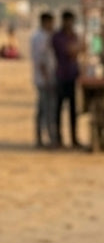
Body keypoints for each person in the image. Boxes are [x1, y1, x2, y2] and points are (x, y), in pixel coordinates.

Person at [51, 9, 82, 148]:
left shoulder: (74, 36)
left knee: (73, 110)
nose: (69, 24)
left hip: (73, 75)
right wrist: (77, 49)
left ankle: (74, 138)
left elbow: (78, 50)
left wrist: (77, 49)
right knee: (58, 109)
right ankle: (58, 138)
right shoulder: (58, 37)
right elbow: (70, 51)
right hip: (61, 75)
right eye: (67, 21)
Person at [29, 12, 57, 148]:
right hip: (45, 79)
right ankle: (49, 138)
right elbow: (41, 60)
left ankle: (40, 137)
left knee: (42, 109)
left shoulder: (38, 36)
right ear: (46, 22)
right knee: (47, 109)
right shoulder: (42, 37)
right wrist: (47, 79)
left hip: (42, 78)